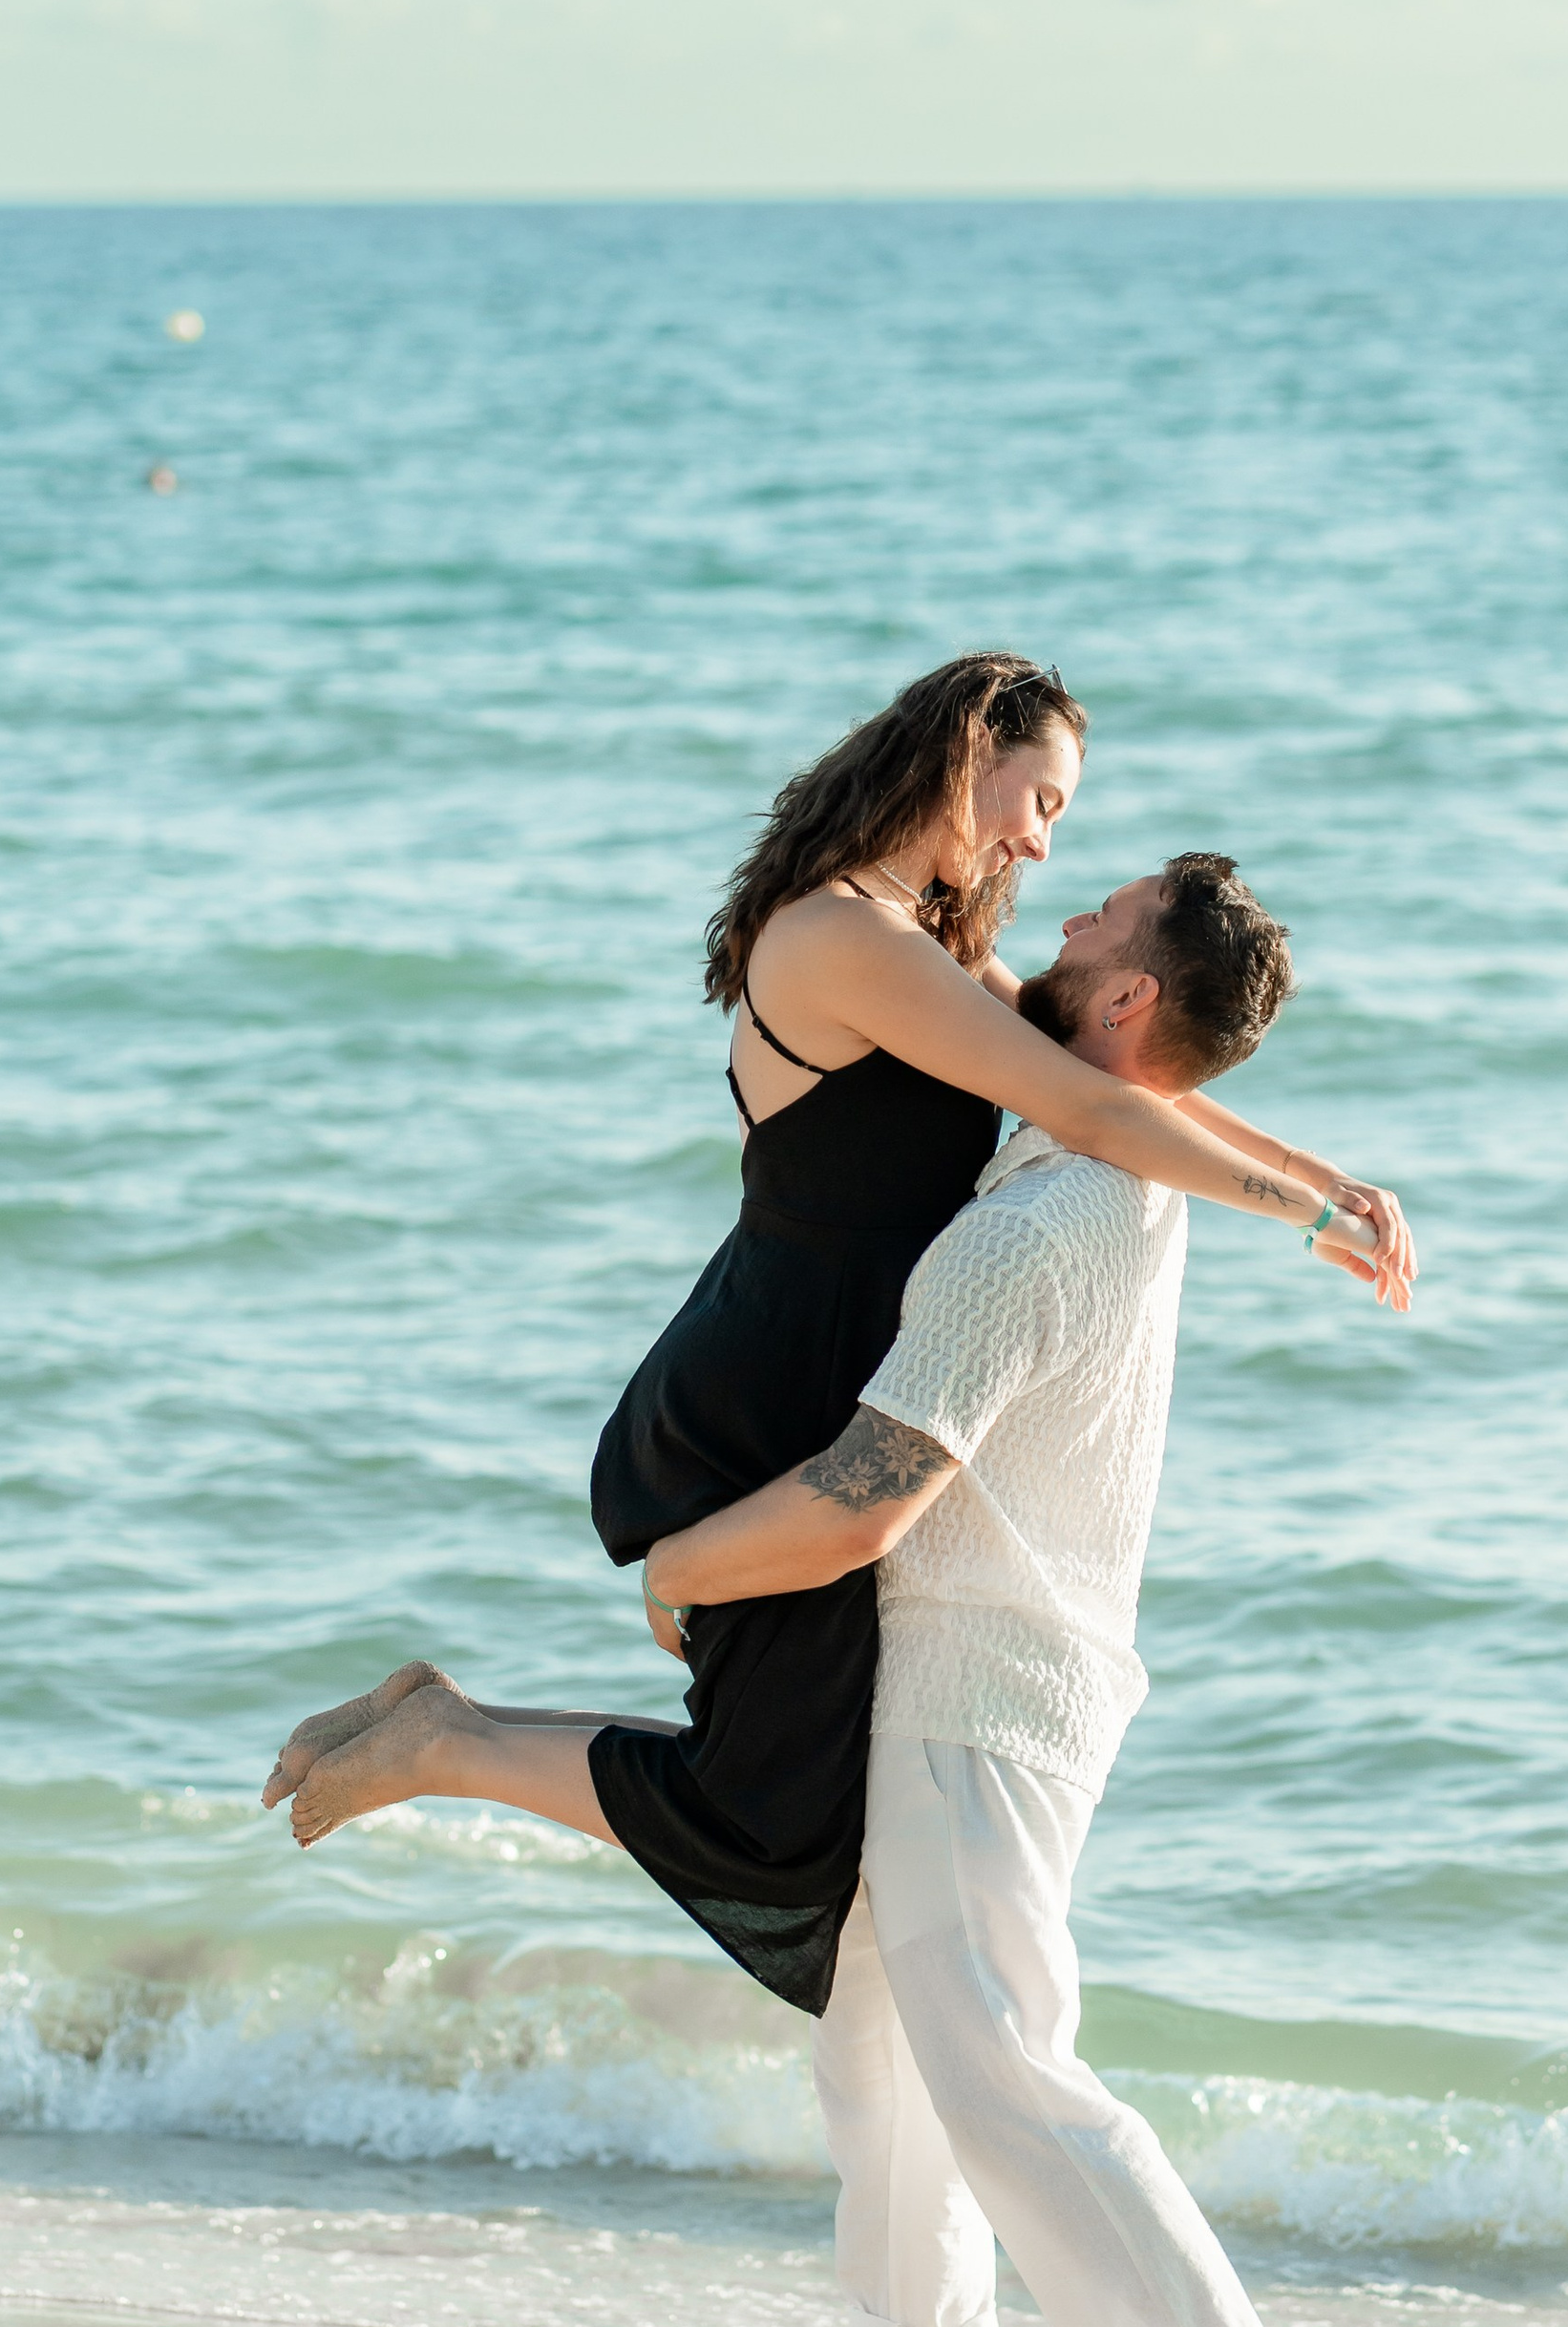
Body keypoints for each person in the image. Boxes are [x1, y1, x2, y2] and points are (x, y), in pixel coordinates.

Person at [281, 856, 1370, 2327]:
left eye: (1104, 918)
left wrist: (683, 1569)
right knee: (880, 2052)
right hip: (990, 1676)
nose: (1064, 918)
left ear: (1133, 1000)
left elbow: (871, 1494)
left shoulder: (1039, 1227)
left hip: (980, 1691)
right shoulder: (1106, 1175)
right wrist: (1317, 1183)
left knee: (1000, 2059)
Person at [268, 656, 1410, 2022]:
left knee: (785, 1795)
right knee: (763, 1811)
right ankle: (438, 1742)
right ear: (961, 756)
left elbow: (1116, 1080)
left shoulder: (914, 944)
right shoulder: (843, 942)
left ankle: (440, 1723)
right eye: (1036, 796)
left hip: (825, 1371)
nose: (1042, 840)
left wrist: (1328, 1177)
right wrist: (1305, 1214)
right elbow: (1093, 1113)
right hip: (769, 1388)